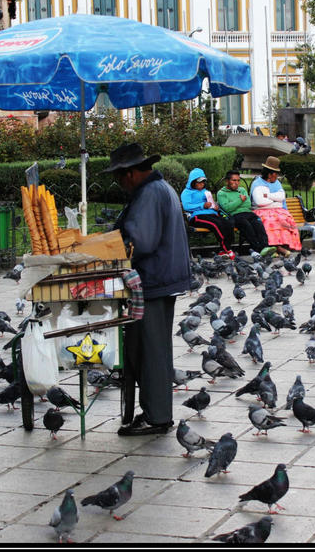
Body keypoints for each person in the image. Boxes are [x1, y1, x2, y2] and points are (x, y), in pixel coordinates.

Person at [106, 143, 190, 436]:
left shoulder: (150, 194)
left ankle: (157, 417)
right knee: (152, 349)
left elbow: (140, 242)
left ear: (130, 173)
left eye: (119, 177)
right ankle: (155, 411)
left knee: (151, 351)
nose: (120, 184)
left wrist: (108, 249)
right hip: (161, 279)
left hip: (154, 280)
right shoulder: (159, 188)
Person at [250, 156, 303, 256]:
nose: (277, 176)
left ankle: (281, 246)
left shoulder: (277, 183)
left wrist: (268, 196)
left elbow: (281, 197)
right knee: (269, 221)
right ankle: (273, 247)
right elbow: (259, 201)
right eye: (276, 173)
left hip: (278, 210)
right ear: (269, 174)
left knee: (284, 219)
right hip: (261, 211)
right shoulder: (257, 183)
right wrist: (275, 201)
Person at [216, 170, 274, 258]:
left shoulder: (242, 190)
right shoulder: (221, 193)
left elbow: (248, 204)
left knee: (258, 222)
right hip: (235, 215)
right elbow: (227, 208)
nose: (237, 183)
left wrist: (234, 203)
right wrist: (240, 200)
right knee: (246, 225)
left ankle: (265, 247)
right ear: (227, 181)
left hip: (248, 213)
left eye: (238, 180)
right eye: (234, 180)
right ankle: (257, 249)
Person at [181, 168, 236, 260]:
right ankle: (227, 248)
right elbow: (187, 206)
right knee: (215, 225)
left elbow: (210, 202)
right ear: (193, 182)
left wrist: (215, 206)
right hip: (197, 216)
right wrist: (202, 205)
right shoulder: (187, 192)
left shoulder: (205, 191)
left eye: (203, 182)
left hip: (211, 214)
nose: (201, 184)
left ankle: (223, 251)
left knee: (227, 223)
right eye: (199, 182)